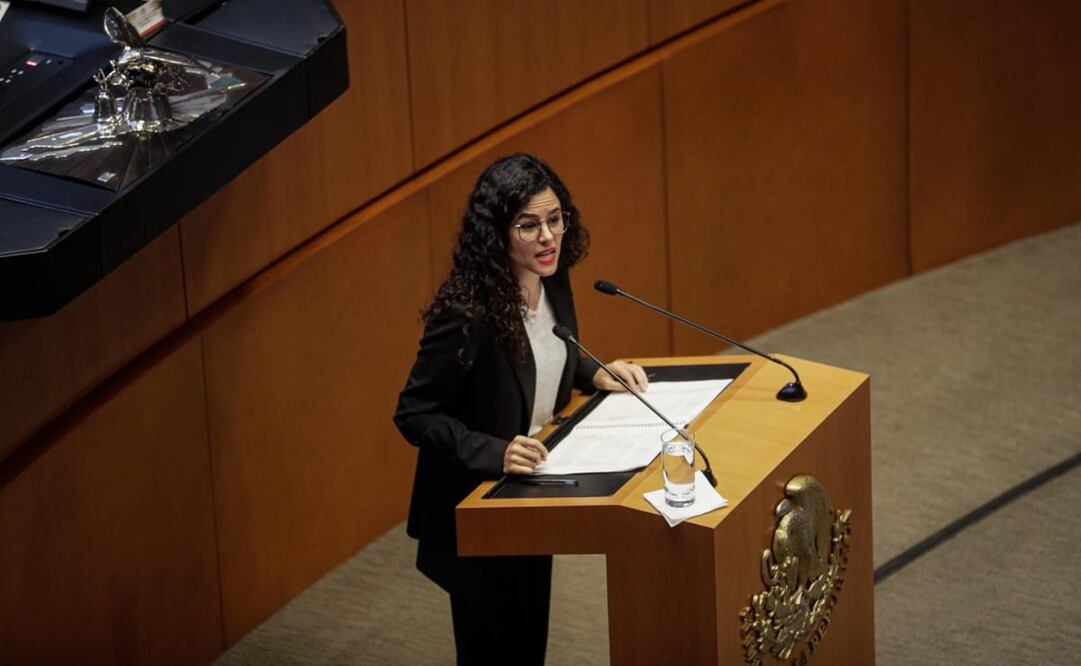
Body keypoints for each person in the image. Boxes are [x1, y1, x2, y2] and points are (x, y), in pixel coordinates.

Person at [393, 153, 648, 664]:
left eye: (555, 219)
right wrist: (494, 452)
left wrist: (593, 371)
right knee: (493, 652)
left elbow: (544, 356)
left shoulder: (551, 277)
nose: (548, 237)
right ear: (498, 234)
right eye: (529, 225)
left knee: (529, 645)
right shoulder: (467, 312)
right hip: (476, 505)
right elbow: (415, 412)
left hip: (532, 493)